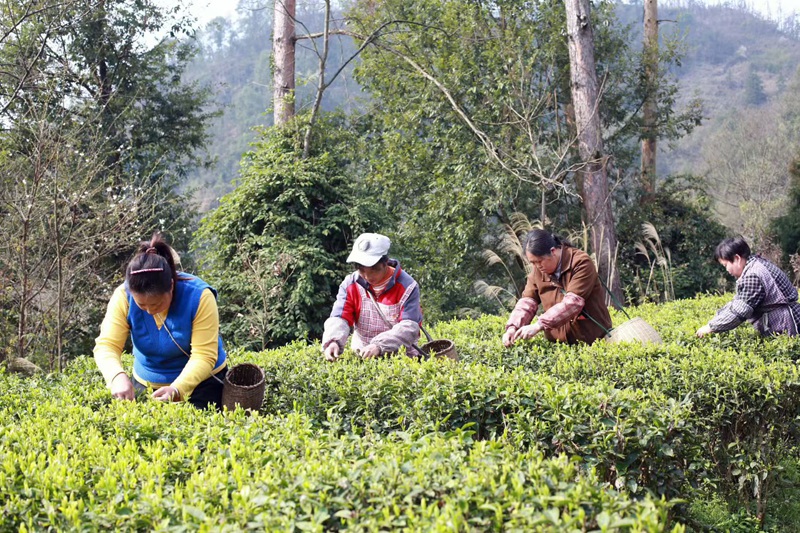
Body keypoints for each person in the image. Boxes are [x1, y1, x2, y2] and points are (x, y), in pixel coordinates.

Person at [93, 234, 228, 409]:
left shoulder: (200, 296)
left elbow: (204, 354)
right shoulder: (123, 297)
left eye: (156, 303)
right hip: (146, 382)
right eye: (141, 305)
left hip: (202, 384)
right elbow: (107, 345)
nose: (149, 310)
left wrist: (178, 389)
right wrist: (116, 376)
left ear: (171, 286)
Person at [322, 233, 423, 361]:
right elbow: (340, 316)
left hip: (401, 357)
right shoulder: (350, 284)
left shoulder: (407, 286)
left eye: (374, 270)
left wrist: (379, 345)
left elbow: (409, 325)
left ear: (385, 263)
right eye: (362, 271)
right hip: (362, 354)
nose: (368, 277)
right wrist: (333, 341)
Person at [503, 228, 612, 346]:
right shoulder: (537, 270)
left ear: (553, 251)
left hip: (591, 341)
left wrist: (539, 325)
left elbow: (573, 303)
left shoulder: (581, 262)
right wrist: (513, 327)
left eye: (539, 261)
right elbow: (528, 301)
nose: (537, 266)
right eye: (533, 263)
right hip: (558, 344)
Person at [696, 237, 800, 338]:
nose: (726, 270)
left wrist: (710, 327)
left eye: (725, 265)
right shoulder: (755, 265)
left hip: (788, 321)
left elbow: (739, 312)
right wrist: (716, 319)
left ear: (737, 259)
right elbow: (736, 302)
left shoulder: (753, 275)